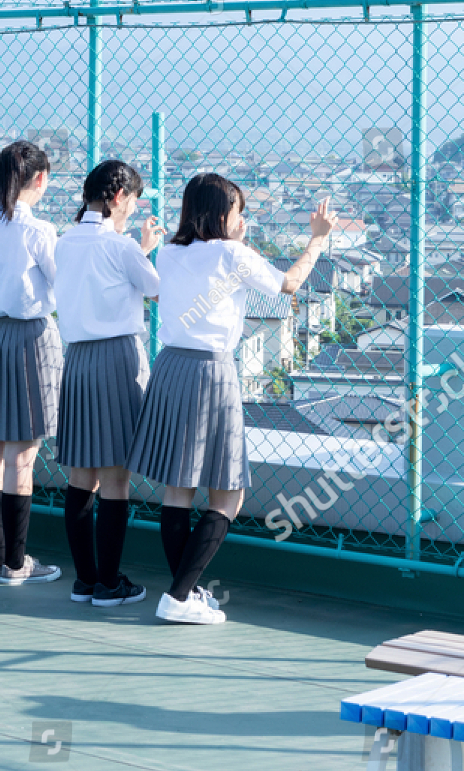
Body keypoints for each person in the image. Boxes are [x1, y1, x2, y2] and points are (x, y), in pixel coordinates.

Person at [128, 174, 338, 624]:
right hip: (212, 370)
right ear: (223, 213)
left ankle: (186, 591)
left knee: (178, 488)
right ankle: (178, 597)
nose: (242, 219)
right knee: (228, 495)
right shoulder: (234, 255)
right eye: (238, 211)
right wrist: (318, 239)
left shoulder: (169, 252)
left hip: (171, 366)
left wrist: (234, 245)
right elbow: (289, 283)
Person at [54, 160, 163, 607]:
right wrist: (144, 251)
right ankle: (110, 582)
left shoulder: (64, 242)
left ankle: (84, 580)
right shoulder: (121, 247)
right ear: (118, 196)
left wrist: (137, 248)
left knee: (82, 475)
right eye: (133, 200)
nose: (133, 209)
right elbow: (157, 290)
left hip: (77, 359)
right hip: (117, 358)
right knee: (117, 477)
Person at [0, 140, 63, 585]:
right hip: (31, 339)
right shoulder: (39, 231)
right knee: (22, 457)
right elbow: (61, 284)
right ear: (39, 178)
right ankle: (16, 563)